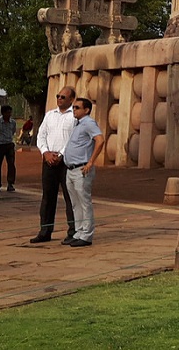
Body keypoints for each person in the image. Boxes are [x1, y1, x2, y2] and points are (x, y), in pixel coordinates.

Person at [29, 87, 77, 244]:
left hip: (66, 161)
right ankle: (45, 230)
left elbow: (73, 139)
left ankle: (73, 232)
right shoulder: (50, 115)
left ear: (71, 100)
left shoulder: (75, 117)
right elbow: (41, 136)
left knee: (70, 197)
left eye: (63, 97)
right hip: (49, 160)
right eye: (58, 96)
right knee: (48, 197)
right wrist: (45, 153)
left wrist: (61, 154)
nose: (59, 99)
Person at [62, 96, 105, 247]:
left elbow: (99, 140)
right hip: (71, 168)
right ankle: (79, 232)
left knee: (84, 202)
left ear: (86, 110)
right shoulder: (78, 124)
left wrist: (91, 162)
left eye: (77, 108)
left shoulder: (88, 123)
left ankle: (86, 235)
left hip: (82, 168)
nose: (74, 110)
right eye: (73, 107)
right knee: (75, 203)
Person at [0, 105, 18, 192]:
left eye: (10, 112)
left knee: (11, 164)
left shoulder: (13, 122)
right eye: (7, 113)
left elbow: (13, 131)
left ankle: (10, 183)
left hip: (9, 144)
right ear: (3, 113)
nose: (9, 114)